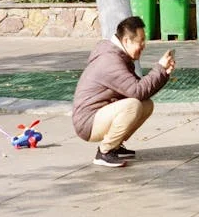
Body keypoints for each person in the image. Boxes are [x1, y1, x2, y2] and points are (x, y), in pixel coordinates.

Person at [72, 16, 176, 167]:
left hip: (99, 114)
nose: (144, 45)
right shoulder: (110, 61)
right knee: (133, 105)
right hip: (87, 122)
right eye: (141, 41)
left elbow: (142, 90)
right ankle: (105, 152)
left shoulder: (118, 56)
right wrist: (159, 68)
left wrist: (164, 73)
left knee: (146, 104)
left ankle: (115, 146)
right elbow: (137, 91)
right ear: (126, 41)